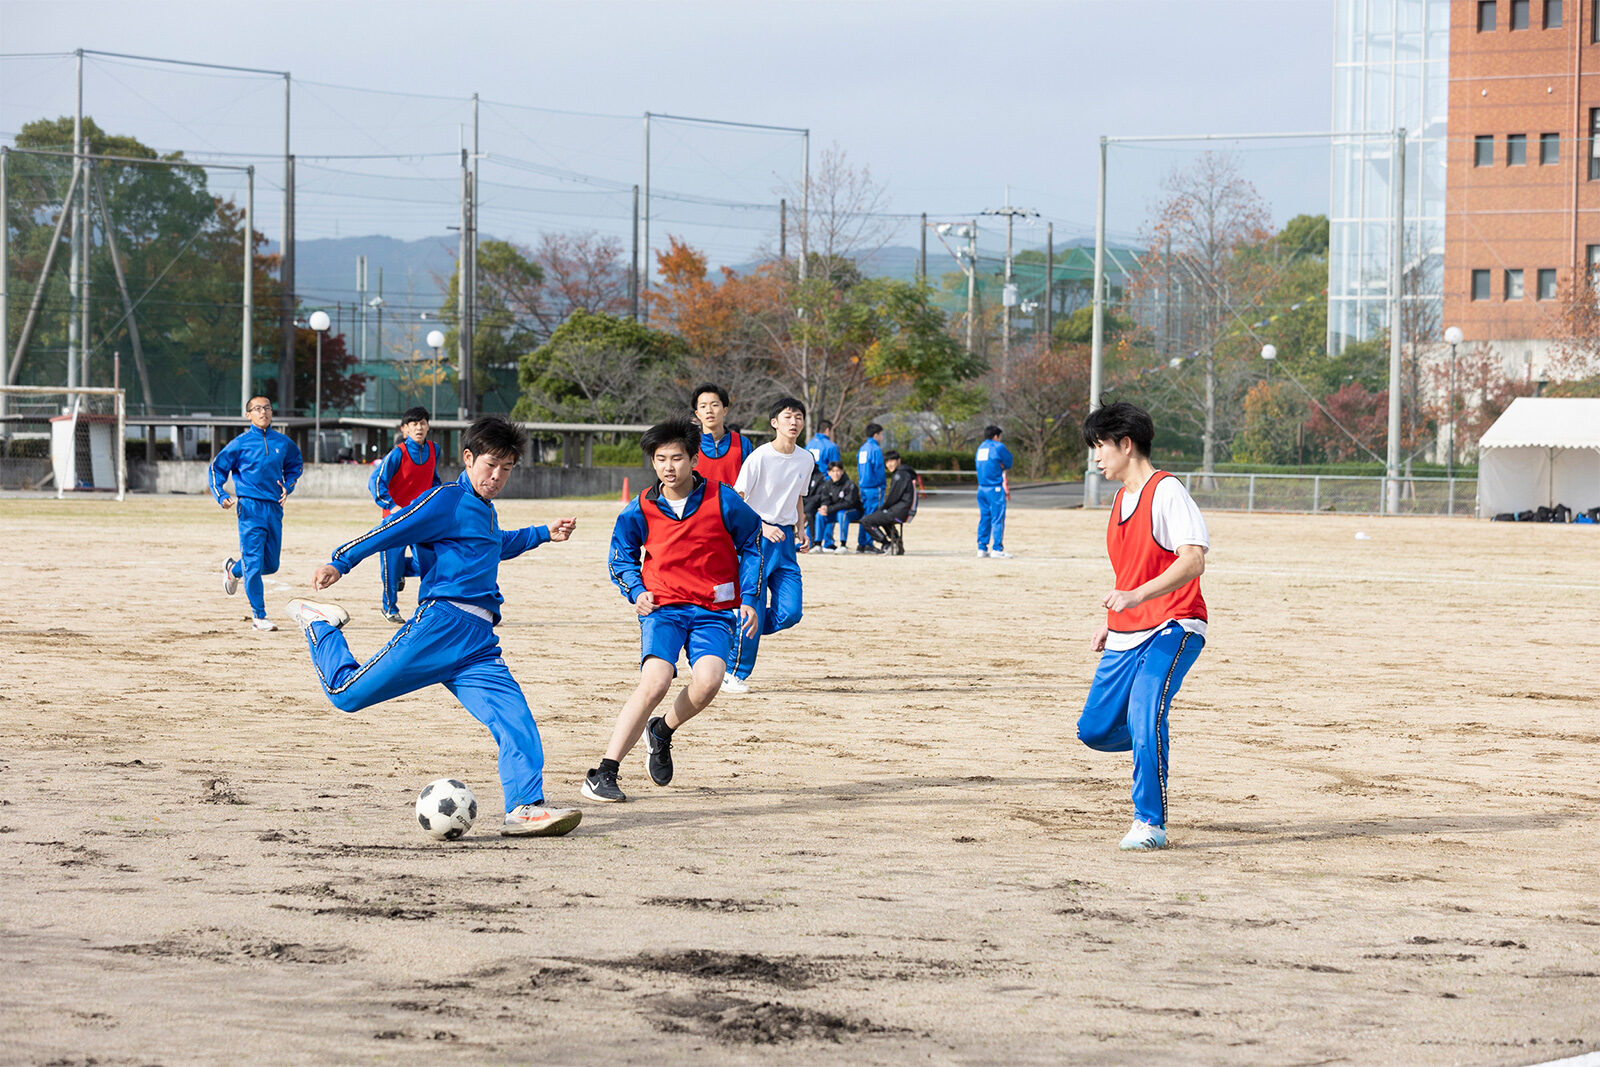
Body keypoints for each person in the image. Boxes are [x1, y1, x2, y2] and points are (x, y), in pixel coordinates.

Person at [282, 415, 583, 838]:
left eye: (507, 469)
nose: (497, 477)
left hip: (478, 645)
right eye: (490, 465)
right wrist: (340, 560)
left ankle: (524, 808)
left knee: (516, 721)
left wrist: (541, 534)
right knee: (347, 696)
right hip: (440, 627)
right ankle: (321, 626)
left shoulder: (484, 511)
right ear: (468, 457)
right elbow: (393, 528)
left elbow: (495, 546)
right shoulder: (445, 500)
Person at [584, 417, 764, 803]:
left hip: (713, 609)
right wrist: (636, 592)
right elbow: (621, 556)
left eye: (678, 458)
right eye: (661, 458)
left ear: (694, 459)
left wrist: (749, 598)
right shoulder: (641, 507)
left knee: (710, 681)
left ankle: (662, 731)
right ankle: (604, 772)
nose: (669, 466)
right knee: (656, 682)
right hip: (663, 607)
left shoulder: (723, 498)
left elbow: (751, 543)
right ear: (652, 462)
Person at [1075, 402, 1208, 852]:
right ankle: (1150, 733)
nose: (1095, 457)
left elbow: (1193, 560)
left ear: (1125, 445)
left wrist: (1138, 597)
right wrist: (1112, 622)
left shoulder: (1166, 490)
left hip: (1174, 624)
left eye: (1099, 447)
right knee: (1093, 729)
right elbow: (1130, 572)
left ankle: (1149, 823)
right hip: (1127, 630)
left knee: (1144, 713)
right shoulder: (1118, 499)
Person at [725, 397, 815, 694]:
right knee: (752, 606)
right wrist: (762, 526)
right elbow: (738, 497)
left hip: (787, 540)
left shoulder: (806, 458)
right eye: (788, 416)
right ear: (774, 422)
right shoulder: (760, 457)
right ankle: (733, 672)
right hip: (759, 538)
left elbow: (798, 497)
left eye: (799, 417)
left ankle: (724, 634)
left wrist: (802, 529)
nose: (794, 422)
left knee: (790, 612)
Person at [211, 395, 303, 632]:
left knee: (270, 564)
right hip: (249, 508)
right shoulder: (239, 444)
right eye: (257, 409)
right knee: (254, 562)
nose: (263, 412)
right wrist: (221, 495)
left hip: (274, 508)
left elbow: (295, 465)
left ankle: (233, 569)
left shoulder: (283, 443)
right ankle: (259, 616)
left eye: (267, 408)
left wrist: (289, 485)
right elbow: (217, 469)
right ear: (248, 414)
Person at [368, 406, 440, 623]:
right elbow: (376, 481)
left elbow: (433, 479)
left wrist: (437, 500)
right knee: (390, 564)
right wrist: (392, 505)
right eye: (414, 424)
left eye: (423, 423)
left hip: (422, 518)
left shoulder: (435, 450)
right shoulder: (398, 452)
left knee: (428, 562)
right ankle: (389, 607)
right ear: (405, 429)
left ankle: (428, 606)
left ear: (428, 426)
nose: (419, 427)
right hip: (395, 519)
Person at [692, 382, 753, 487]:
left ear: (725, 410)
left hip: (733, 503)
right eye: (703, 406)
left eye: (714, 405)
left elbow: (754, 481)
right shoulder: (689, 444)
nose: (709, 410)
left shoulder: (743, 444)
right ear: (697, 414)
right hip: (698, 503)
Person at [861, 450, 917, 555]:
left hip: (900, 512)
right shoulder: (905, 473)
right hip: (903, 510)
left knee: (866, 521)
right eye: (887, 462)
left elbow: (893, 497)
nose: (889, 464)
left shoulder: (899, 475)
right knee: (882, 517)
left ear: (899, 461)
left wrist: (882, 508)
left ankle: (887, 544)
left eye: (892, 461)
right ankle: (896, 541)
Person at [975, 424, 1014, 559]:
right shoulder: (998, 447)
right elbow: (1009, 462)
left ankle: (982, 547)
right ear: (996, 436)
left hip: (981, 488)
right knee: (998, 517)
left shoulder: (980, 448)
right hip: (994, 487)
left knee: (985, 517)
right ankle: (997, 548)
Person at [810, 460, 861, 552]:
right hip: (834, 511)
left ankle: (843, 545)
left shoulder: (849, 484)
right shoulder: (827, 484)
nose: (835, 474)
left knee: (842, 514)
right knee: (819, 515)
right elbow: (825, 499)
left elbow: (848, 503)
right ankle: (817, 544)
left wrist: (829, 509)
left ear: (842, 471)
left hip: (852, 511)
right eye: (833, 471)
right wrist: (825, 506)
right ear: (829, 473)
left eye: (838, 471)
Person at [854, 422, 886, 553]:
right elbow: (879, 469)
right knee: (872, 517)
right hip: (874, 487)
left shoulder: (862, 448)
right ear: (876, 435)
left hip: (863, 487)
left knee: (865, 515)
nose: (882, 438)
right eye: (881, 435)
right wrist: (882, 484)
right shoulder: (876, 449)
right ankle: (868, 543)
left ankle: (861, 543)